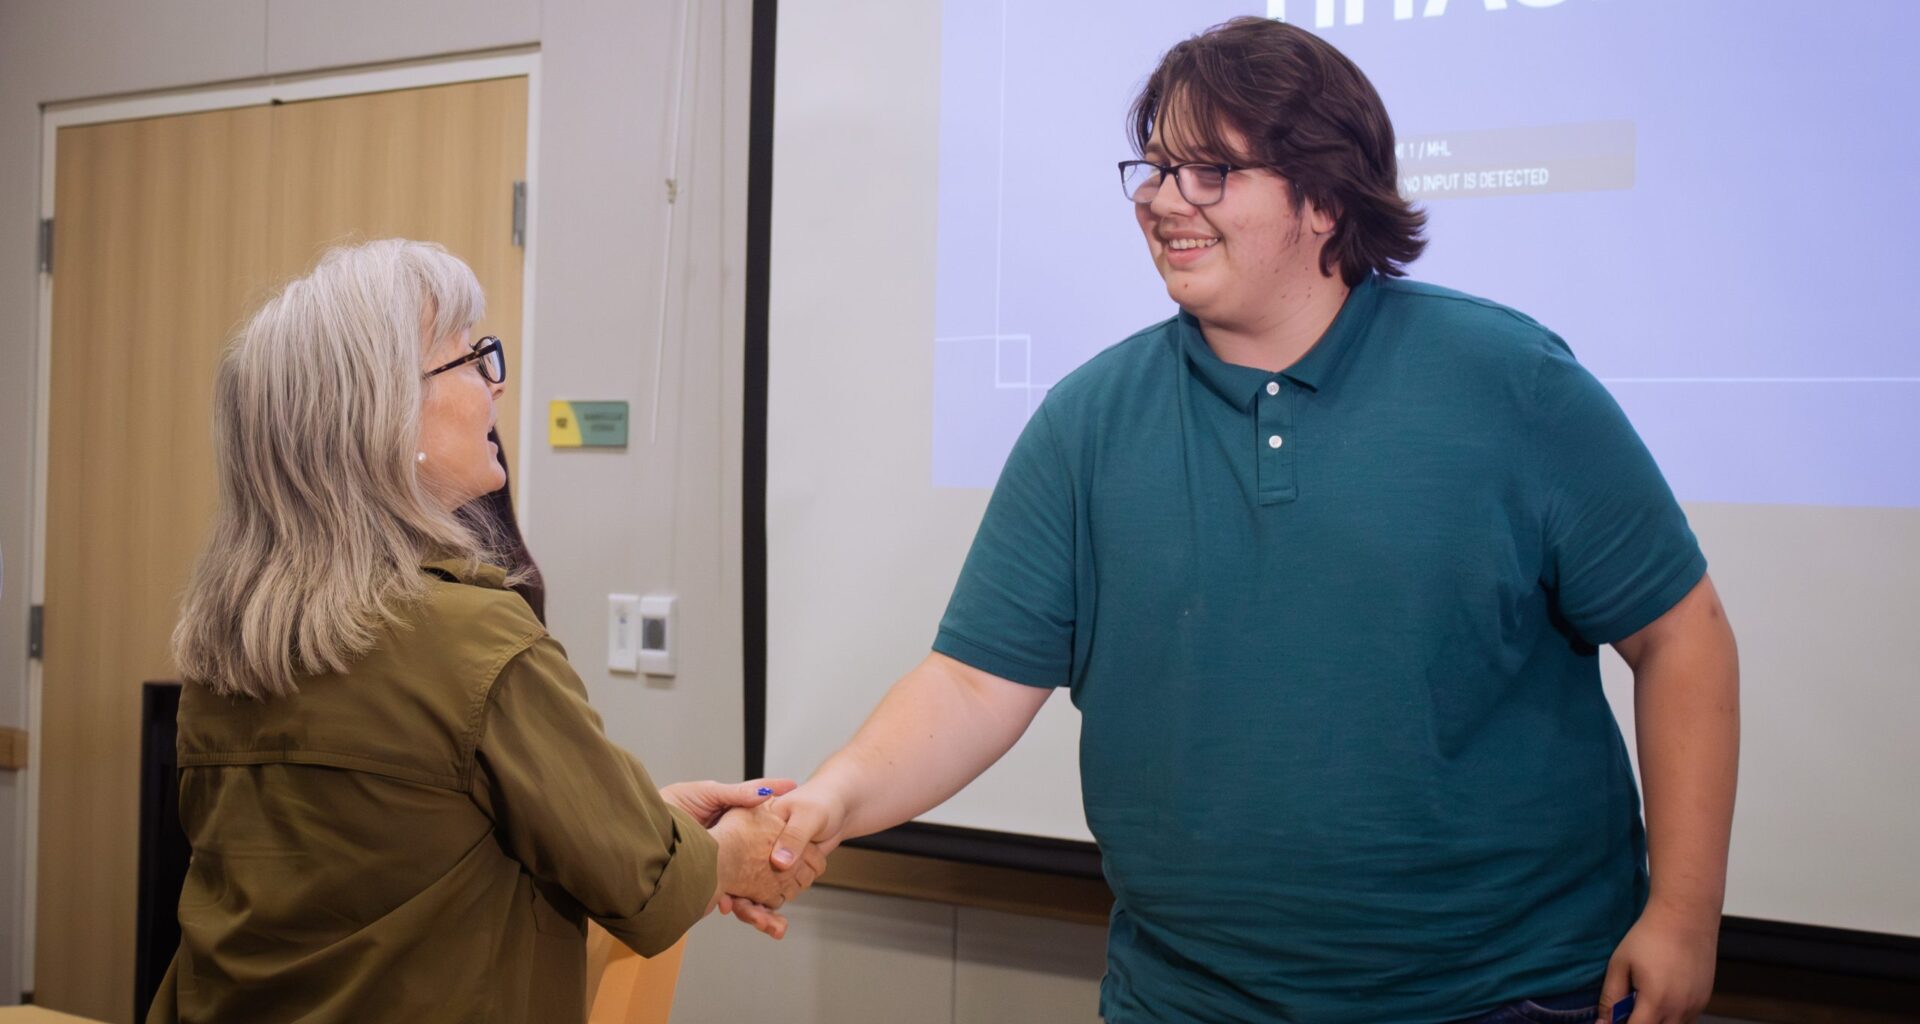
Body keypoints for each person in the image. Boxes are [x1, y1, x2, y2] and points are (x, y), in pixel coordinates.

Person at [764, 18, 1739, 1024]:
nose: (1161, 201)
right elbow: (972, 683)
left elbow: (1683, 636)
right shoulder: (1087, 422)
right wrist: (833, 798)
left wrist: (1685, 914)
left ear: (1323, 198)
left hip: (1504, 994)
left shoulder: (1511, 382)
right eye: (1155, 169)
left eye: (1210, 171)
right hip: (1187, 1000)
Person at [149, 239, 823, 1022]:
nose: (495, 386)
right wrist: (741, 849)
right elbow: (647, 888)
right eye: (471, 361)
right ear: (384, 416)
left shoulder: (226, 645)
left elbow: (405, 855)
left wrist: (650, 817)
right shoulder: (470, 638)